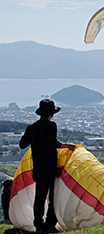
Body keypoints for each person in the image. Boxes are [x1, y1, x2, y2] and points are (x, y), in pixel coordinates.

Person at [19, 98, 76, 233]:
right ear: (52, 114)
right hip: (51, 166)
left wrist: (34, 140)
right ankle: (50, 224)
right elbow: (53, 143)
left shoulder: (31, 127)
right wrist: (68, 146)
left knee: (39, 196)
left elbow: (22, 144)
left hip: (37, 167)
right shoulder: (51, 126)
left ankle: (38, 224)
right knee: (53, 197)